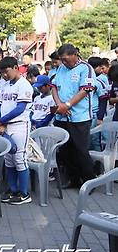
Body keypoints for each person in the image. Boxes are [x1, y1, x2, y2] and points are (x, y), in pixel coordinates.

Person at [51, 44, 96, 188]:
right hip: (62, 116)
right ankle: (73, 179)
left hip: (79, 117)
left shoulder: (85, 68)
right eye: (61, 59)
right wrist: (59, 105)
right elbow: (54, 87)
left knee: (81, 150)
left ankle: (89, 181)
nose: (64, 62)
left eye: (66, 59)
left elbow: (85, 90)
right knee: (65, 150)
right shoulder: (61, 68)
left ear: (75, 54)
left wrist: (68, 105)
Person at [0, 56, 33, 205]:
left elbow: (20, 108)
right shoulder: (5, 85)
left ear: (16, 67)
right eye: (2, 72)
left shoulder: (24, 85)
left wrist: (1, 120)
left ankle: (24, 193)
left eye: (7, 71)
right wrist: (0, 122)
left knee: (19, 158)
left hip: (19, 125)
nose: (4, 75)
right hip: (5, 126)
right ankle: (13, 190)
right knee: (8, 160)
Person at [88, 56, 110, 126]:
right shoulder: (86, 79)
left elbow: (103, 99)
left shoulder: (99, 80)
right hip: (86, 113)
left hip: (95, 112)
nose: (101, 69)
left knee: (95, 135)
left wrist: (100, 117)